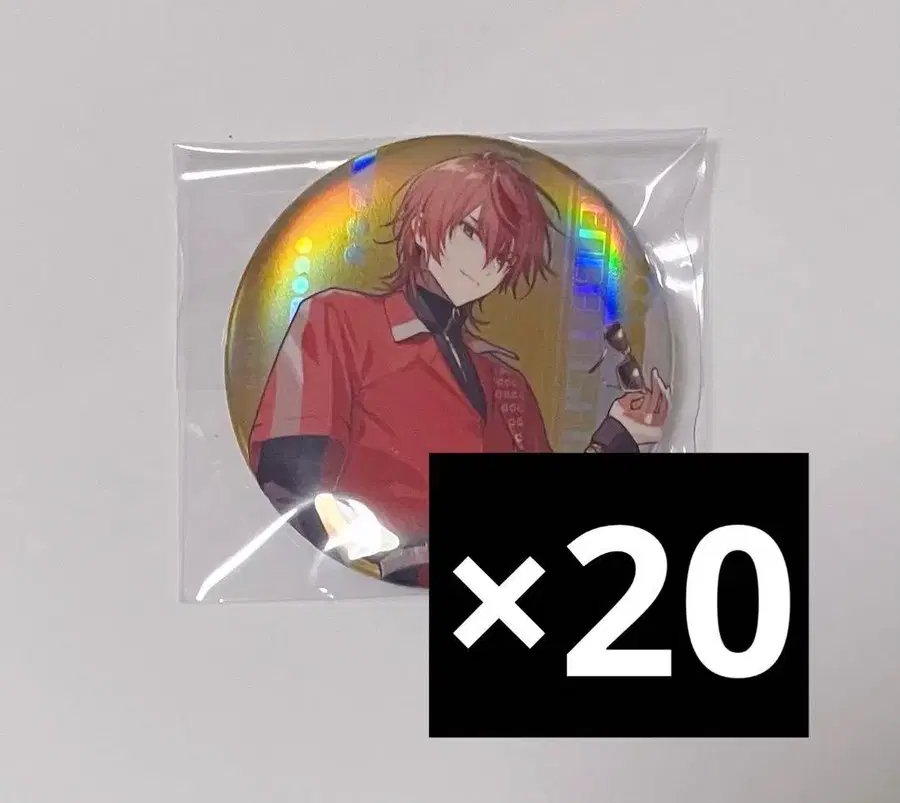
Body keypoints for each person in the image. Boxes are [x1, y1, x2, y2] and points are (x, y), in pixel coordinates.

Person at [249, 152, 669, 586]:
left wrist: (620, 437)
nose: (486, 261)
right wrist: (368, 574)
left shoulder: (505, 381)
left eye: (505, 254)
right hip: (365, 591)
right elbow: (289, 482)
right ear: (421, 227)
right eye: (471, 232)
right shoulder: (339, 321)